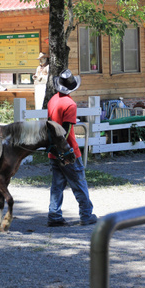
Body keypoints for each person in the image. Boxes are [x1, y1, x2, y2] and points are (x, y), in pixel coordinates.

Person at [46, 69, 97, 227]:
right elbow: (66, 130)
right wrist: (63, 149)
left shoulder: (52, 100)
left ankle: (54, 215)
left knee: (57, 184)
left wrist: (53, 146)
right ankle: (86, 214)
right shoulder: (70, 104)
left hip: (54, 151)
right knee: (79, 182)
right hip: (68, 151)